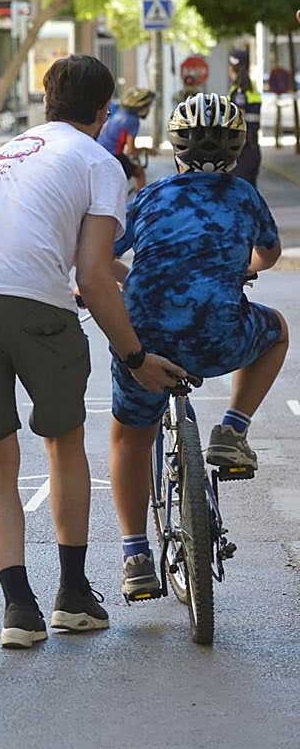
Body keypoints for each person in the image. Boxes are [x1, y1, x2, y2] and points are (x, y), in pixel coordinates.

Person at [0, 54, 185, 650]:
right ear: (104, 111)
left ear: (46, 104)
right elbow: (90, 279)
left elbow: (76, 259)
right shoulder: (100, 161)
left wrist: (124, 275)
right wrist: (135, 356)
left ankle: (18, 610)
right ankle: (73, 595)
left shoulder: (8, 152)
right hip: (34, 304)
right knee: (63, 439)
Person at [106, 93, 287, 602]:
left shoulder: (150, 198)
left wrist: (131, 279)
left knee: (129, 438)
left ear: (175, 145)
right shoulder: (246, 197)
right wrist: (238, 267)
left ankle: (136, 555)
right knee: (275, 330)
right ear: (237, 149)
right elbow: (268, 255)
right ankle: (232, 429)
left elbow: (102, 254)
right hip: (218, 335)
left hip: (144, 344)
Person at [97, 86, 155, 192]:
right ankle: (139, 203)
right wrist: (146, 149)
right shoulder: (133, 121)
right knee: (139, 172)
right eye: (149, 106)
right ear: (142, 106)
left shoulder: (117, 109)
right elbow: (131, 151)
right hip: (114, 155)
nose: (149, 110)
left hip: (100, 149)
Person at [228, 49, 262, 186]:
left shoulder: (239, 90)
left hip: (243, 150)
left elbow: (238, 120)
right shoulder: (251, 87)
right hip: (253, 148)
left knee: (240, 194)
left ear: (233, 67)